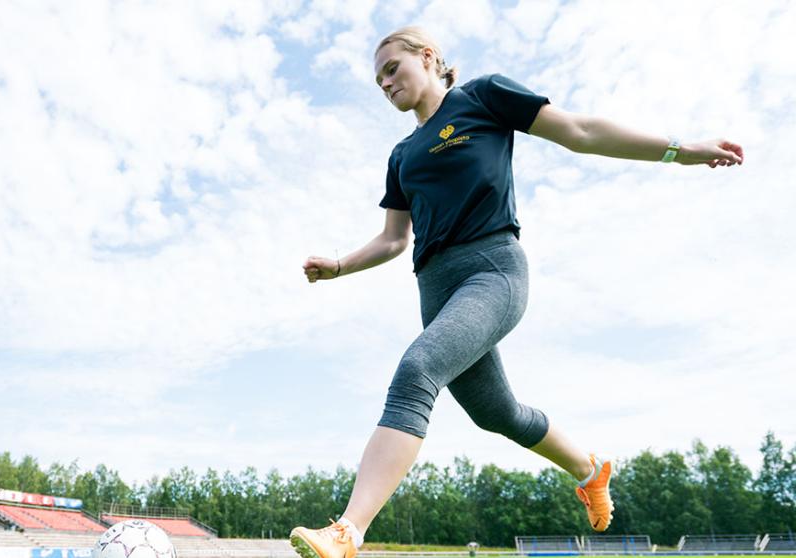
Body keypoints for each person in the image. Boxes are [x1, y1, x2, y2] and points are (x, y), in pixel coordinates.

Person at [291, 26, 743, 558]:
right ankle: (589, 469)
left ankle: (349, 529)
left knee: (418, 372)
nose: (385, 83)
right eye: (378, 80)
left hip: (493, 271)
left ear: (430, 58)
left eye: (392, 69)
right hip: (434, 288)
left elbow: (579, 130)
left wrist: (679, 150)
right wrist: (339, 265)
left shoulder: (482, 97)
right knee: (496, 414)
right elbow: (394, 239)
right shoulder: (402, 154)